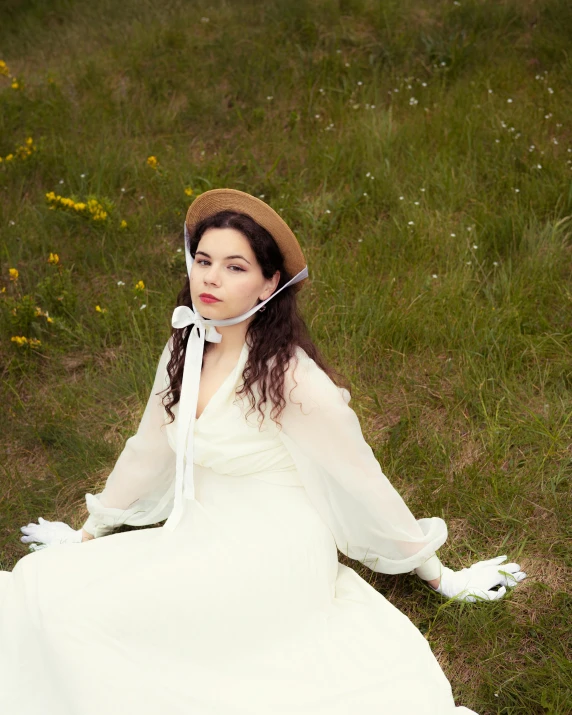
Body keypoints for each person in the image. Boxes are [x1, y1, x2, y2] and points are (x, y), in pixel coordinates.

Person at [2, 189, 526, 715]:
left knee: (89, 624)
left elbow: (362, 478)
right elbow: (149, 446)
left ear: (267, 285)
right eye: (204, 261)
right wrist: (89, 531)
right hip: (201, 532)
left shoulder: (289, 376)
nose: (210, 278)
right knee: (44, 590)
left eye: (235, 267)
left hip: (273, 550)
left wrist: (440, 574)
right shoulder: (186, 346)